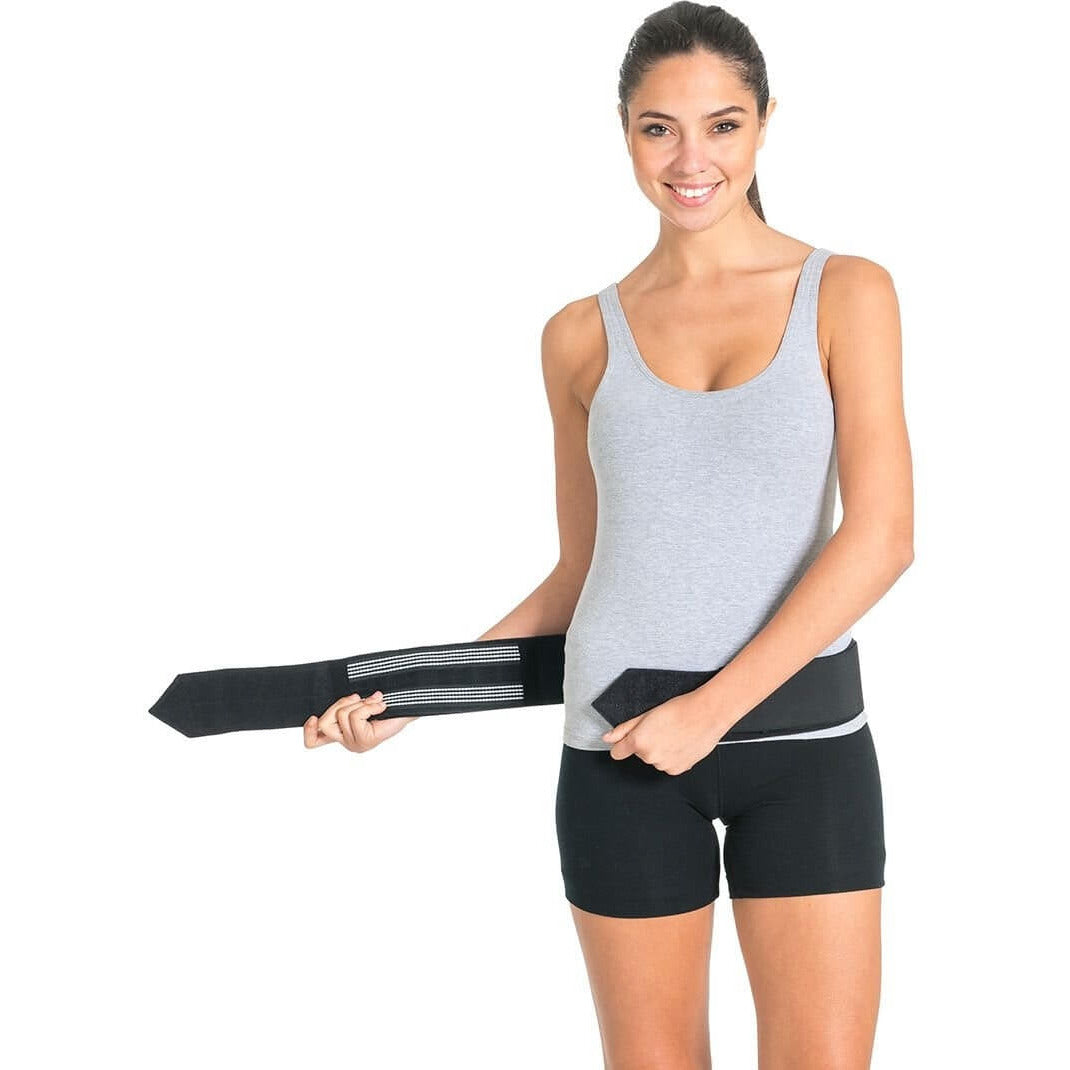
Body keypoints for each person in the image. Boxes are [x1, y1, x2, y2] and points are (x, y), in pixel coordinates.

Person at [304, 3, 914, 1067]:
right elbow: (584, 571)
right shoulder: (579, 334)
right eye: (657, 128)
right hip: (619, 753)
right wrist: (419, 693)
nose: (690, 160)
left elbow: (882, 537)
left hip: (800, 745)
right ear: (624, 131)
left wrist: (709, 712)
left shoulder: (846, 292)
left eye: (722, 125)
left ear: (765, 124)